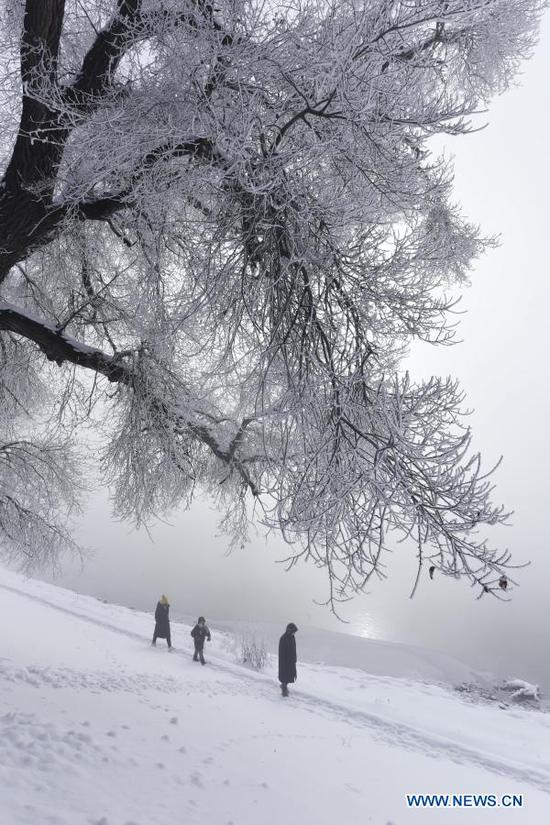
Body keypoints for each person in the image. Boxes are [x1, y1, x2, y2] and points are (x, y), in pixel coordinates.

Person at [278, 622, 298, 697]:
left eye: (294, 632)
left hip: (291, 660)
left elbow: (294, 648)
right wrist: (283, 662)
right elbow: (282, 653)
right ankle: (284, 690)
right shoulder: (283, 639)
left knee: (290, 675)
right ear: (289, 630)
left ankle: (284, 685)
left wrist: (295, 658)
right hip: (285, 661)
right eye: (293, 632)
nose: (294, 633)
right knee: (284, 676)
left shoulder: (292, 637)